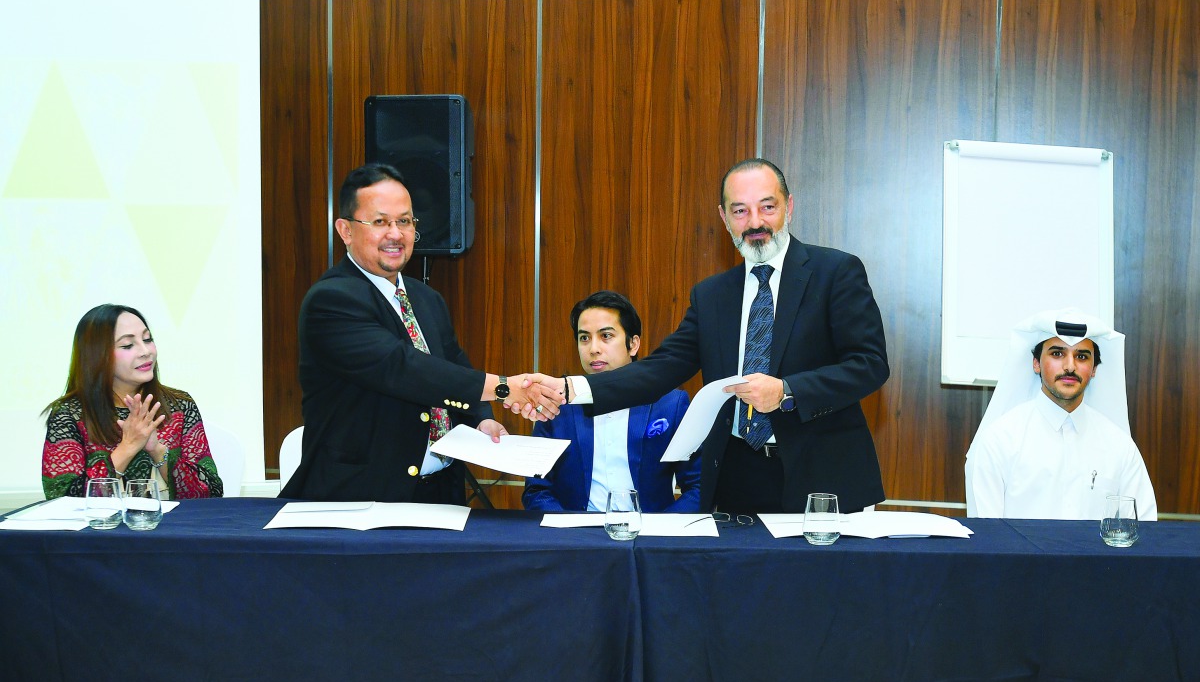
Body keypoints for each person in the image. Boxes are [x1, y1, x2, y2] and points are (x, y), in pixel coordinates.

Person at [523, 158, 889, 514]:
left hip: (822, 478)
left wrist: (787, 391)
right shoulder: (711, 295)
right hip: (737, 479)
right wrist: (571, 390)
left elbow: (869, 364)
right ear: (723, 217)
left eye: (767, 207)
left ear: (789, 207)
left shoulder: (836, 272)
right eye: (740, 211)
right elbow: (662, 368)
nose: (755, 222)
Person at [280, 162, 560, 504]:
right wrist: (504, 388)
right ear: (346, 230)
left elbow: (454, 365)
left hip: (440, 492)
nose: (395, 234)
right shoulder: (332, 300)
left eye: (405, 221)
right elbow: (405, 368)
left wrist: (480, 420)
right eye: (380, 222)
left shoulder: (426, 298)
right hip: (360, 500)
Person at [965, 308, 1157, 520]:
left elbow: (1144, 530)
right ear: (1036, 363)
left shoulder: (1120, 447)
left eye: (1082, 356)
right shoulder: (999, 440)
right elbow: (987, 540)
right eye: (1057, 354)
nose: (1070, 366)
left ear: (1094, 369)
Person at [522, 291, 702, 513]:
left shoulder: (671, 404)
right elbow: (537, 490)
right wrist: (568, 533)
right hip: (576, 537)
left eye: (606, 336)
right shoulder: (556, 404)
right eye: (584, 338)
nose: (594, 348)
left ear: (633, 344)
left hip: (649, 537)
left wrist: (659, 534)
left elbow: (698, 488)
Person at [42, 304, 224, 499]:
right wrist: (128, 446)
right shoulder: (68, 413)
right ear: (96, 355)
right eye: (128, 345)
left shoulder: (180, 405)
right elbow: (62, 500)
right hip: (104, 529)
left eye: (148, 339)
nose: (146, 351)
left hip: (171, 527)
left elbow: (212, 494)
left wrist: (158, 451)